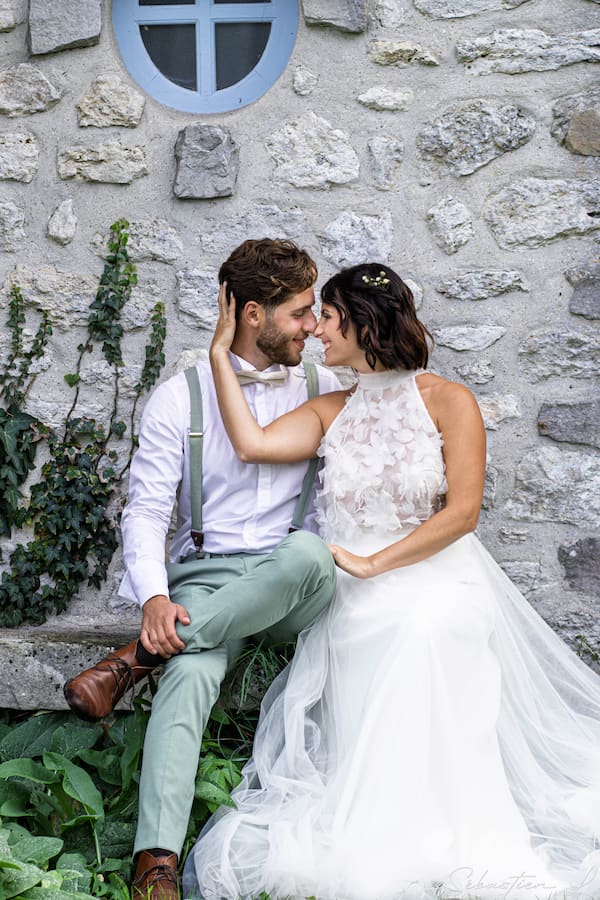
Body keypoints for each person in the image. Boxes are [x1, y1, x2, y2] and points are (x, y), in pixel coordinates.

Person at [183, 263, 600, 900]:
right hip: (355, 587)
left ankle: (443, 824)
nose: (317, 331)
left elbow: (462, 513)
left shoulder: (449, 400)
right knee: (387, 622)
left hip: (433, 572)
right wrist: (218, 350)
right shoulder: (330, 409)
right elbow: (251, 443)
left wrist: (378, 563)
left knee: (425, 624)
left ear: (362, 323)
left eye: (326, 318)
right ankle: (385, 824)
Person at [63, 238, 341, 900]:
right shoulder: (176, 400)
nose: (312, 324)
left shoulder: (327, 389)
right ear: (251, 314)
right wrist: (156, 598)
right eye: (300, 312)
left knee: (308, 552)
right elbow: (145, 512)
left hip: (295, 580)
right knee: (188, 673)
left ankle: (132, 660)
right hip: (207, 581)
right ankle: (154, 864)